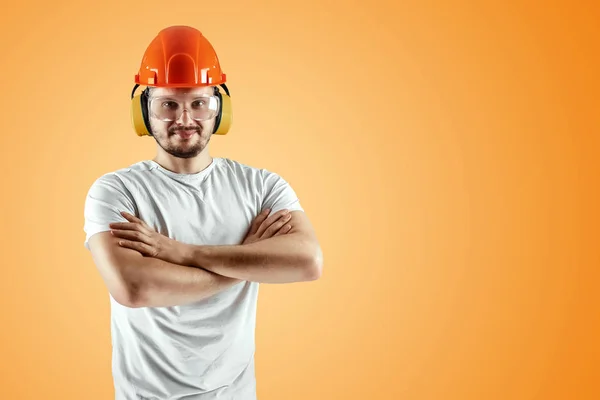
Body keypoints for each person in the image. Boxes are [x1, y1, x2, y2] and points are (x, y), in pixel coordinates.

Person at [83, 25, 323, 400]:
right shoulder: (116, 191)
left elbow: (308, 262)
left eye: (199, 103)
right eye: (168, 104)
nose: (184, 119)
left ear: (219, 110)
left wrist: (183, 253)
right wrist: (245, 266)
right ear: (143, 111)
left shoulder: (261, 187)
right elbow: (134, 288)